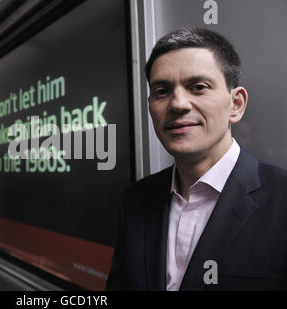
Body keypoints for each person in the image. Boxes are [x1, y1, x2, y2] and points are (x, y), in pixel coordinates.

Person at [107, 27, 287, 290]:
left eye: (198, 87)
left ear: (235, 105)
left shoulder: (282, 200)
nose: (178, 103)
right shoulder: (136, 200)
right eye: (162, 91)